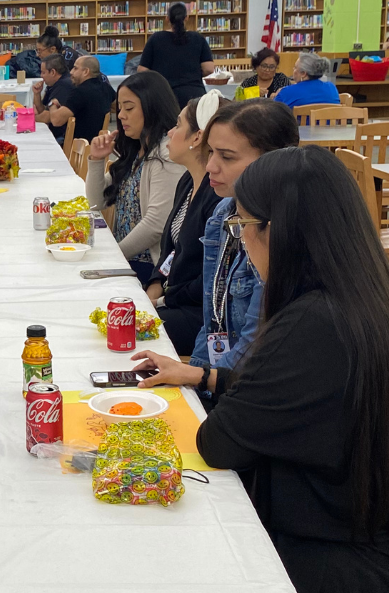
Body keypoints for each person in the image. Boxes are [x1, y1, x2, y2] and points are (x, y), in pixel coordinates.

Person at [193, 146, 389, 593]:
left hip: (354, 575)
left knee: (179, 556)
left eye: (243, 225)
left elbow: (218, 443)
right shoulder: (358, 290)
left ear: (280, 231)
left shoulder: (313, 322)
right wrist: (208, 379)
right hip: (371, 537)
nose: (240, 241)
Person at [132, 98, 300, 392]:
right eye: (211, 153)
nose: (210, 165)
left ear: (273, 161)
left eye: (227, 156)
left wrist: (199, 380)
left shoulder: (278, 234)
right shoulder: (224, 214)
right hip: (218, 381)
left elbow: (250, 352)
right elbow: (213, 319)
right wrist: (191, 375)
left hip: (245, 393)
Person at [144, 92, 223, 354]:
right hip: (174, 298)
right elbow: (172, 249)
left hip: (197, 310)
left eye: (178, 125)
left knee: (126, 330)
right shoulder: (188, 182)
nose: (170, 131)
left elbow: (211, 278)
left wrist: (164, 299)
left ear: (197, 137)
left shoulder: (218, 196)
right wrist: (156, 283)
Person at [85, 71, 183, 284]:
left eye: (129, 108)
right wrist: (96, 160)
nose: (120, 116)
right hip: (127, 257)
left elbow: (156, 224)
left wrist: (113, 256)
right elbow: (95, 202)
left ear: (152, 108)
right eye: (120, 108)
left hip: (148, 267)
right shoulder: (137, 150)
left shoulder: (167, 153)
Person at [138, 3, 215, 108]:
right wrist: (192, 73)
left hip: (163, 96)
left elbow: (142, 70)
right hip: (194, 96)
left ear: (167, 19)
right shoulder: (198, 38)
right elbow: (209, 69)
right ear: (187, 18)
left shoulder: (155, 39)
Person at [47, 54, 117, 144]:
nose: (71, 72)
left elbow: (56, 121)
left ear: (86, 72)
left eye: (75, 68)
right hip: (99, 143)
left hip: (78, 146)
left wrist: (52, 104)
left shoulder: (80, 91)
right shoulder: (106, 87)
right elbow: (116, 107)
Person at [272, 53, 341, 110]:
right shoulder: (331, 88)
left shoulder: (286, 92)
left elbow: (272, 113)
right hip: (329, 126)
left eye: (295, 67)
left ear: (303, 74)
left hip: (299, 126)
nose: (293, 70)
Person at [32, 54, 74, 146]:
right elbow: (42, 110)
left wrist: (23, 120)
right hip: (55, 133)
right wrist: (37, 94)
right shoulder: (54, 84)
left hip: (62, 138)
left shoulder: (63, 86)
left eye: (43, 72)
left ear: (53, 72)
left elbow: (46, 117)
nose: (41, 75)